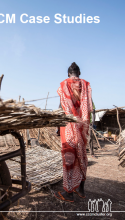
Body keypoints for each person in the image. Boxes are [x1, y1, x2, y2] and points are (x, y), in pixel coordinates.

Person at [54, 62, 93, 202]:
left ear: (68, 74)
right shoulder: (86, 86)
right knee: (82, 156)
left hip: (68, 127)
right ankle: (81, 189)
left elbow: (61, 109)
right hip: (82, 127)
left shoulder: (64, 85)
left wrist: (57, 127)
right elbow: (89, 108)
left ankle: (69, 193)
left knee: (69, 156)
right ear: (79, 73)